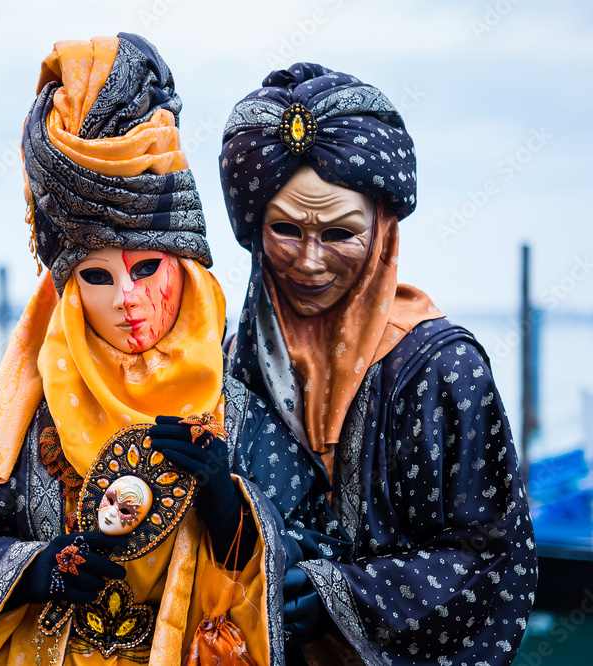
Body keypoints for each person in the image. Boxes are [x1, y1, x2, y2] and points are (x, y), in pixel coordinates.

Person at [0, 34, 285, 666]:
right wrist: (28, 571)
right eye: (97, 277)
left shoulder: (244, 411)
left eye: (147, 268)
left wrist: (229, 510)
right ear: (66, 290)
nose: (126, 300)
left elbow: (312, 559)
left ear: (187, 266)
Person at [217, 62, 538, 665]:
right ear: (253, 229)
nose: (309, 263)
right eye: (286, 230)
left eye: (339, 234)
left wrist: (340, 596)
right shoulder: (238, 362)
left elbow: (490, 559)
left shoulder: (443, 371)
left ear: (384, 230)